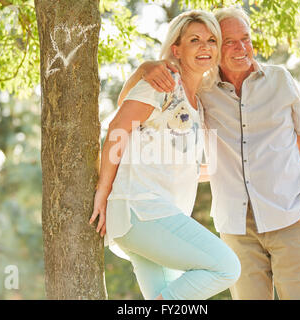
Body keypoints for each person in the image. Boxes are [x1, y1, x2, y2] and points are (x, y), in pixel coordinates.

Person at [119, 7, 300, 300]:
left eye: (246, 38)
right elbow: (128, 105)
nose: (241, 48)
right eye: (229, 40)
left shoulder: (281, 80)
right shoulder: (201, 89)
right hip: (236, 229)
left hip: (291, 219)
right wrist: (144, 69)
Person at [89, 10, 241, 300]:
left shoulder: (198, 102)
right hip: (141, 210)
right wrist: (103, 190)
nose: (205, 46)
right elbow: (119, 124)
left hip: (155, 216)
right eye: (194, 40)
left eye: (211, 40)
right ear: (177, 49)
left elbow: (183, 168)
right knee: (226, 267)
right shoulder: (163, 83)